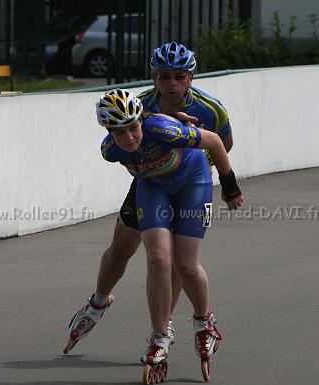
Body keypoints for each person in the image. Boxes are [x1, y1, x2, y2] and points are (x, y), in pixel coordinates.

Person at [64, 42, 233, 350]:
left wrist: (194, 166)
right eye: (164, 76)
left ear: (190, 78)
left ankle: (164, 323)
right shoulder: (138, 105)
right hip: (150, 178)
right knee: (121, 248)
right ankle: (97, 303)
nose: (172, 84)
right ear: (154, 77)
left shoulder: (210, 108)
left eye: (179, 76)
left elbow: (224, 143)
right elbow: (124, 140)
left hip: (189, 180)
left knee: (177, 258)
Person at [92, 88, 243, 382]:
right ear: (109, 133)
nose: (129, 137)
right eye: (119, 132)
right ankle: (160, 337)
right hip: (153, 187)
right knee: (158, 260)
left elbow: (214, 141)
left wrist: (230, 186)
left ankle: (204, 322)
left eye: (133, 127)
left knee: (185, 265)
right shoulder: (109, 151)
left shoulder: (163, 130)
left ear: (141, 121)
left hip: (192, 182)